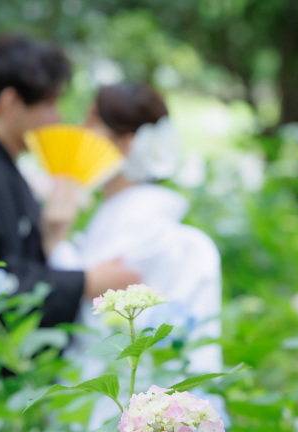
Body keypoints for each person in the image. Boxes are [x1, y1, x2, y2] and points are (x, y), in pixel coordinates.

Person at [0, 35, 140, 327]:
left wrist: (53, 237)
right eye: (49, 104)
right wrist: (85, 283)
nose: (56, 117)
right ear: (10, 102)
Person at [48, 83, 223, 378]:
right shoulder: (122, 213)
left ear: (126, 143)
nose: (79, 131)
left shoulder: (142, 225)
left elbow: (101, 331)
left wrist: (56, 245)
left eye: (91, 121)